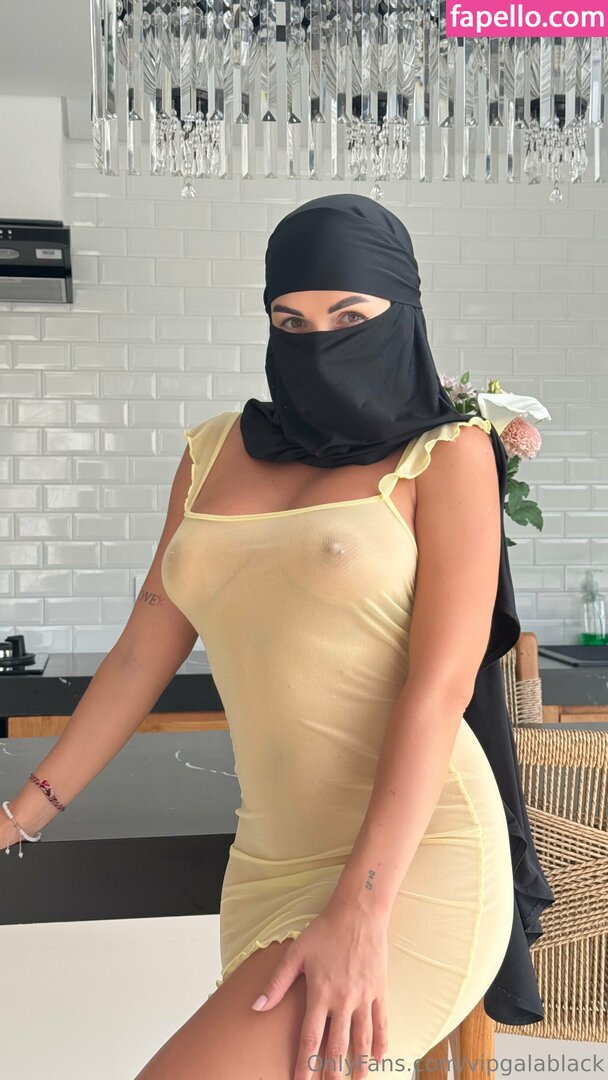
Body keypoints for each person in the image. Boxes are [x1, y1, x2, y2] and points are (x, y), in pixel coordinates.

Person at [2, 194, 553, 1079]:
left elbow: (439, 688)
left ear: (402, 314)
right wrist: (15, 817)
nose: (318, 340)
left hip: (412, 865)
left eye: (349, 317)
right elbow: (142, 653)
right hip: (267, 863)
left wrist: (361, 911)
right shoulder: (213, 453)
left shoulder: (448, 456)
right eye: (290, 321)